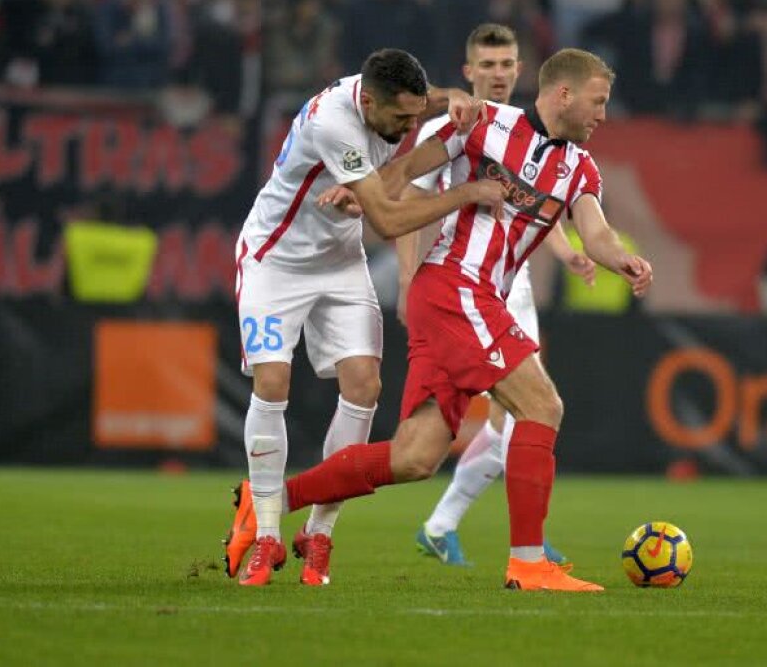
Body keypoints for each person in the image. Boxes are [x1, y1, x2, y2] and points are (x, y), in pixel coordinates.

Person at [278, 49, 653, 592]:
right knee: (542, 406)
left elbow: (595, 233)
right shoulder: (485, 123)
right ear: (564, 95)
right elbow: (410, 166)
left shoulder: (580, 168)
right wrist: (365, 190)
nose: (602, 115)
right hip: (457, 288)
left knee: (415, 457)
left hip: (471, 301)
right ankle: (528, 563)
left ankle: (269, 500)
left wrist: (622, 260)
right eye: (598, 103)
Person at [223, 48, 505, 587]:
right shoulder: (336, 124)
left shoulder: (386, 97)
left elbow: (426, 104)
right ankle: (264, 535)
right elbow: (390, 217)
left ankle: (320, 534)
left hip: (340, 263)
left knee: (364, 385)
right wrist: (468, 193)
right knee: (273, 381)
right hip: (274, 259)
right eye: (399, 119)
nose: (408, 128)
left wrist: (454, 98)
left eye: (415, 115)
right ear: (368, 102)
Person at [395, 23, 596, 568]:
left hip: (511, 284)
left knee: (519, 414)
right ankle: (490, 535)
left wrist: (566, 252)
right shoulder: (453, 128)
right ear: (469, 73)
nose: (500, 75)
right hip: (454, 279)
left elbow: (534, 201)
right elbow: (409, 203)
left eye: (508, 65)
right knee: (519, 412)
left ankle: (452, 526)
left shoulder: (532, 135)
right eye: (488, 66)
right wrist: (407, 275)